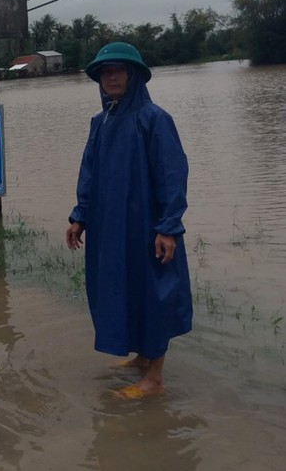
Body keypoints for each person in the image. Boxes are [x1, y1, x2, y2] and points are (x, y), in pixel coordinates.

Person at [65, 42, 192, 400]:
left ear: (134, 75)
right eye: (106, 71)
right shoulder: (100, 123)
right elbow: (89, 173)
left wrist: (168, 227)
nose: (113, 76)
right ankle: (141, 358)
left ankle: (154, 379)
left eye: (120, 70)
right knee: (125, 289)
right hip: (111, 229)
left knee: (154, 292)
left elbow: (173, 175)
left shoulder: (154, 119)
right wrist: (80, 217)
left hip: (147, 227)